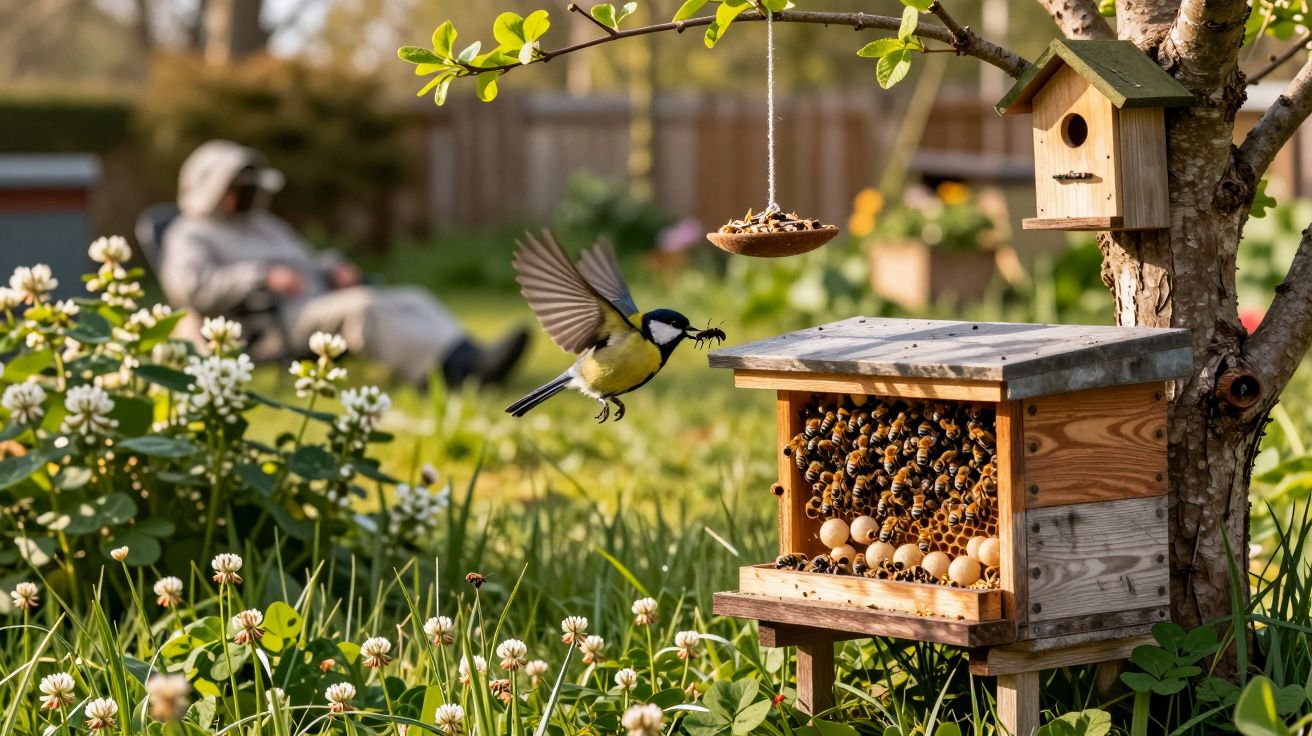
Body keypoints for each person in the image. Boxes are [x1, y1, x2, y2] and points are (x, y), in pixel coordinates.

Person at [159, 140, 527, 387]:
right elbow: (191, 288)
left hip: (313, 301)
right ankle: (451, 373)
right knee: (362, 309)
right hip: (269, 322)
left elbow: (304, 259)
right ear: (210, 187)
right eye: (235, 187)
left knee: (411, 296)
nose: (243, 195)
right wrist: (261, 277)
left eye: (246, 187)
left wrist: (332, 267)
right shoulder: (189, 234)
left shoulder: (262, 225)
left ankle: (471, 354)